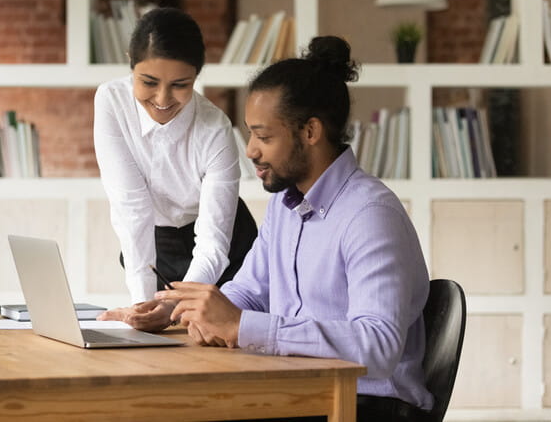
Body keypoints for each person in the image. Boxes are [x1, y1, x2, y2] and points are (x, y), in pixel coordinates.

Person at [157, 36, 434, 421]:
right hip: (299, 391)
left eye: (264, 136)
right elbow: (251, 291)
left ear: (310, 132)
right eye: (251, 134)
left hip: (367, 406)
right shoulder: (285, 206)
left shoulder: (370, 215)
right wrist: (186, 310)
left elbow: (378, 346)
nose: (251, 150)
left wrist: (242, 327)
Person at [94, 7, 258, 332]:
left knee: (218, 341)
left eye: (180, 84)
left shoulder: (216, 130)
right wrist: (143, 307)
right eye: (148, 82)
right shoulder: (111, 102)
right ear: (131, 63)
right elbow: (132, 209)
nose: (163, 98)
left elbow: (212, 241)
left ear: (197, 75)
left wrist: (176, 303)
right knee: (161, 340)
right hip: (159, 241)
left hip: (227, 246)